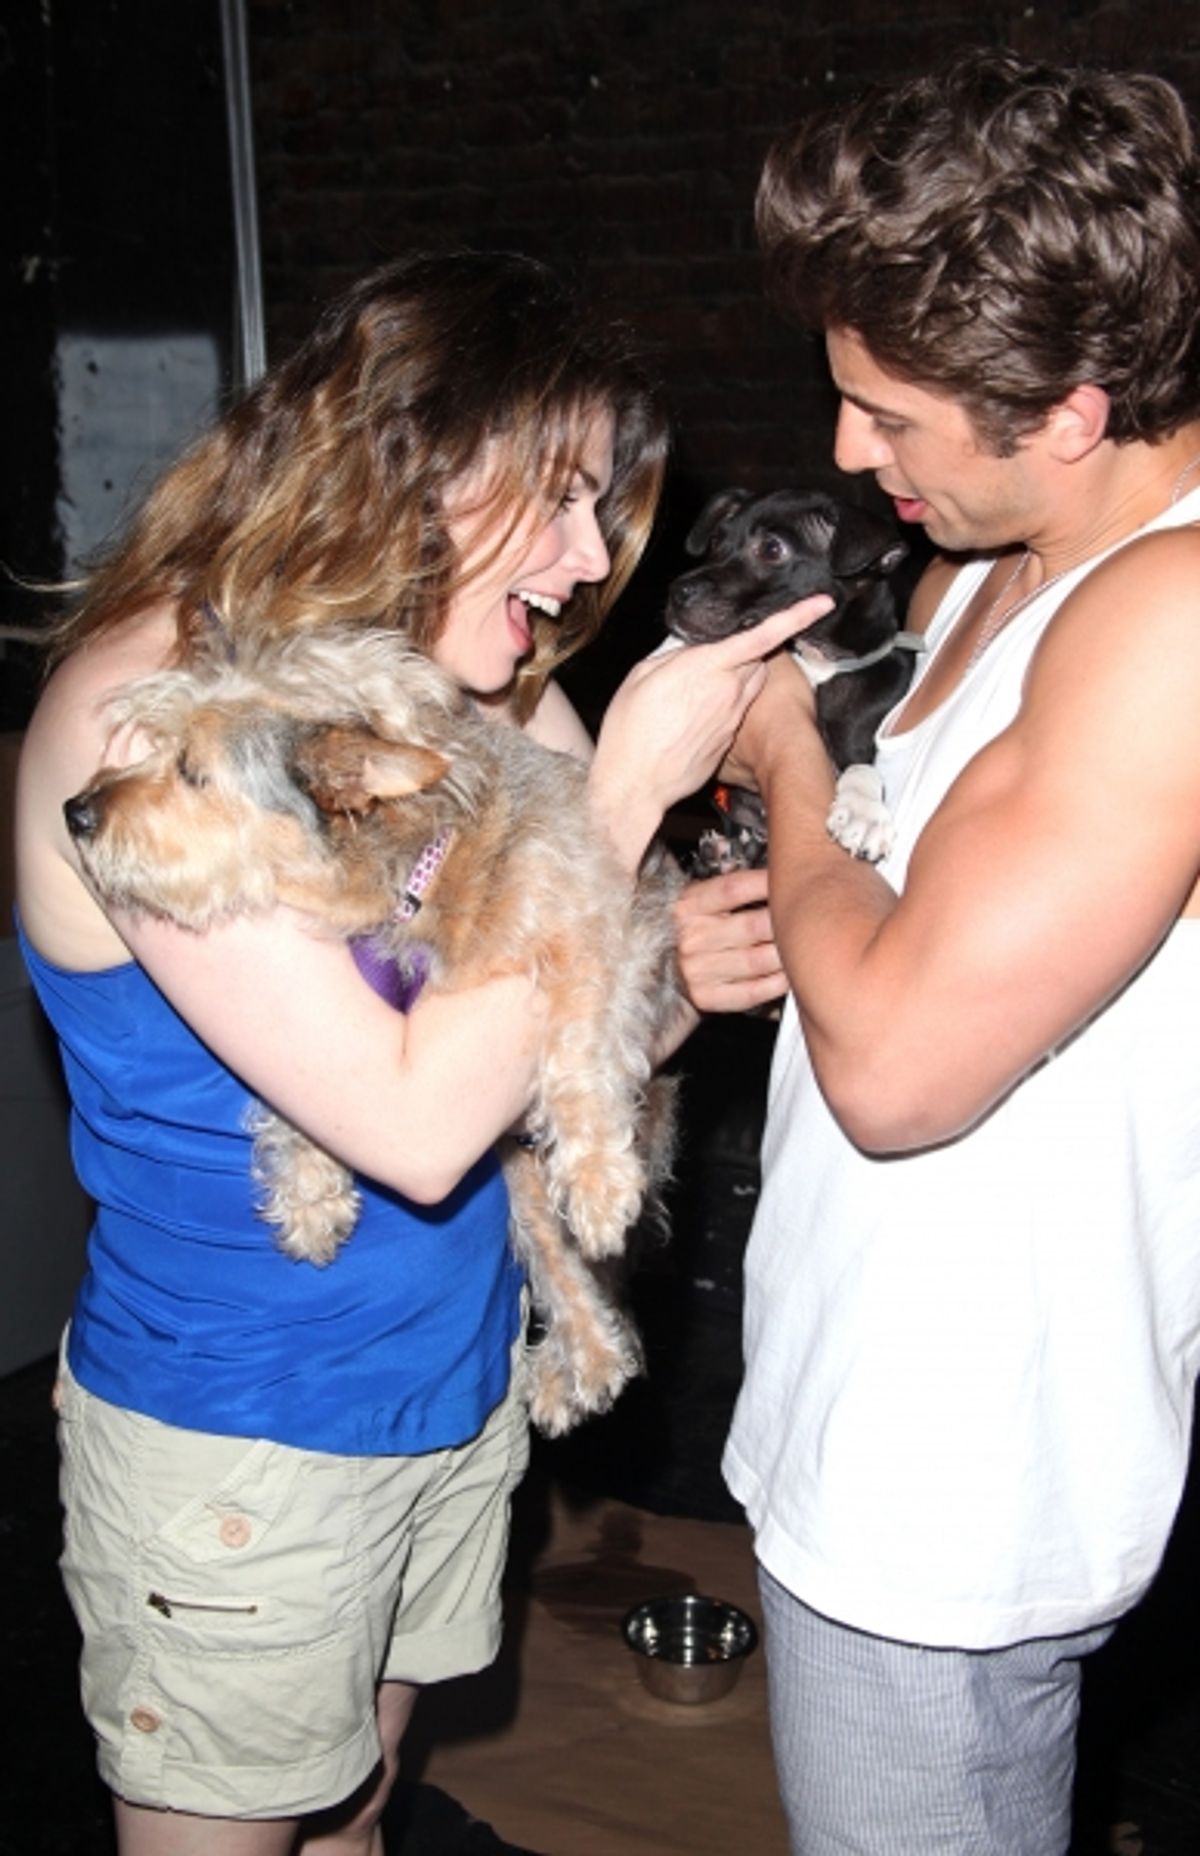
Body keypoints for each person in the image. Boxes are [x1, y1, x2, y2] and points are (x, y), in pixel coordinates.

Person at [14, 250, 807, 1855]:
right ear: (415, 464)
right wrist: (617, 806)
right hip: (242, 1428)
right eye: (564, 497)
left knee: (365, 1813)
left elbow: (557, 1049)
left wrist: (683, 991)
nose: (591, 560)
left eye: (604, 506)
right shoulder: (156, 727)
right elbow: (418, 1124)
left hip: (443, 1398)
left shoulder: (486, 696)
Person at [717, 48, 1200, 1856]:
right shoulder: (987, 571)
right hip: (863, 1410)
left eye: (889, 416)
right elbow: (905, 912)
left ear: (1072, 410)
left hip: (960, 1484)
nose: (850, 452)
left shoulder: (1170, 612)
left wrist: (776, 755)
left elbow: (907, 1071)